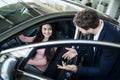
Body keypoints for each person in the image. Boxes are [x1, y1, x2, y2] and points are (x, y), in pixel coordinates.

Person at [57, 8, 120, 80]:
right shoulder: (97, 25)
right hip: (94, 69)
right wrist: (77, 51)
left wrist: (77, 69)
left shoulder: (111, 41)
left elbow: (103, 70)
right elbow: (91, 44)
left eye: (80, 29)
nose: (79, 31)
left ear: (90, 29)